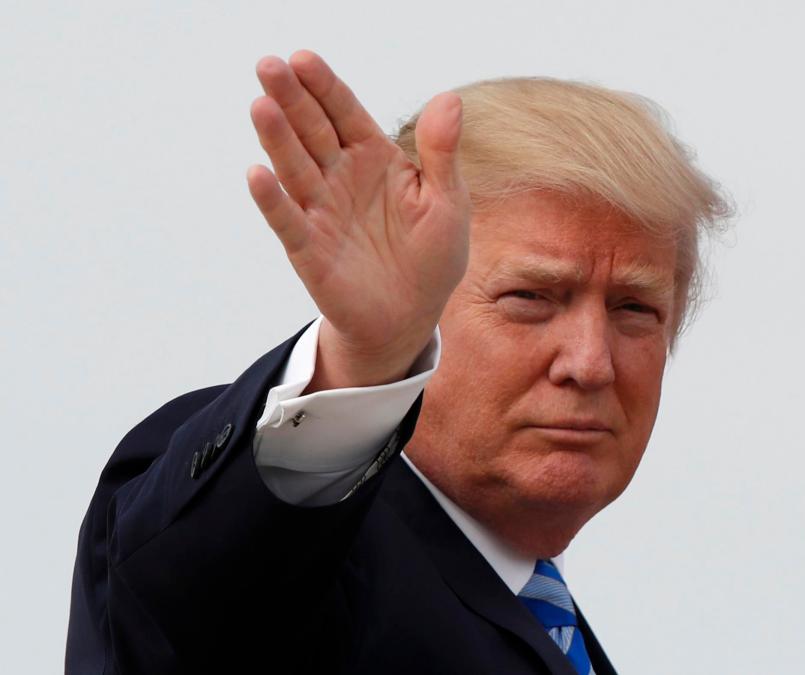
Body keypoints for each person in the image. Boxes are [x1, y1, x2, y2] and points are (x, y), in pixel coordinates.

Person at [66, 50, 730, 674]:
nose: (591, 363)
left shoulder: (545, 616)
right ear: (419, 299)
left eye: (634, 309)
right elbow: (192, 592)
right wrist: (362, 361)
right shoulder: (306, 547)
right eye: (530, 296)